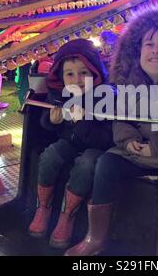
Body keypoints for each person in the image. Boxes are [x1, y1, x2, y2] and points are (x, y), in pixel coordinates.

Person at [65, 4, 158, 256]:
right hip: (135, 152)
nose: (156, 51)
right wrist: (128, 141)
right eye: (149, 44)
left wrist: (156, 147)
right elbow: (121, 120)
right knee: (106, 164)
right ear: (137, 51)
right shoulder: (129, 83)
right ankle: (96, 238)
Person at [28, 39, 114, 248]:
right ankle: (43, 207)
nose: (78, 80)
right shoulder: (60, 95)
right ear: (62, 77)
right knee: (49, 156)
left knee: (85, 165)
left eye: (84, 73)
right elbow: (47, 122)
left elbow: (107, 138)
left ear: (95, 73)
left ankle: (67, 215)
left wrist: (82, 122)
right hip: (69, 142)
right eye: (70, 74)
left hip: (97, 148)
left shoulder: (107, 96)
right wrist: (52, 120)